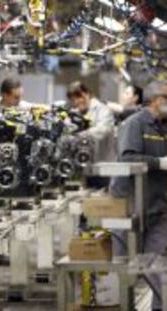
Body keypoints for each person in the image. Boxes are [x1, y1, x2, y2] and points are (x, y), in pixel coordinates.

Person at [110, 81, 167, 311]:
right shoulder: (134, 124)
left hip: (158, 207)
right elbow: (126, 160)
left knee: (155, 263)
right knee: (125, 270)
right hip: (128, 208)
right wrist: (158, 163)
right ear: (156, 100)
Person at [67, 81, 115, 188]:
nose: (77, 101)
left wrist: (80, 135)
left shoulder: (103, 110)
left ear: (87, 94)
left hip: (103, 168)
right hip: (83, 169)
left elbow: (102, 130)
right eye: (73, 99)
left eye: (80, 97)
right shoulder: (74, 113)